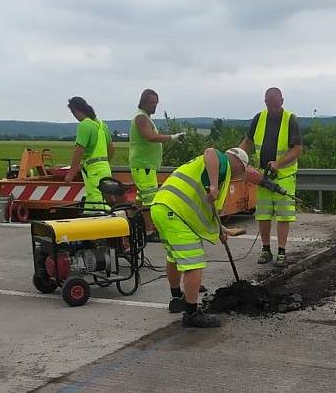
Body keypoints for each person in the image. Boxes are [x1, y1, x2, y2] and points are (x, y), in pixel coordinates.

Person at [150, 147, 250, 328]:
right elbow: (210, 152)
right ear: (238, 163)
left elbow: (209, 211)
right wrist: (213, 185)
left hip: (162, 207)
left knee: (173, 256)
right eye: (241, 169)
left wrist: (219, 229)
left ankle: (177, 298)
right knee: (194, 263)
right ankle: (191, 313)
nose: (239, 173)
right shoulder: (223, 162)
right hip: (176, 212)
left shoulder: (216, 171)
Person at [239, 87, 302, 267]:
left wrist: (279, 163)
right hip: (263, 176)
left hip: (284, 175)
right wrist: (237, 155)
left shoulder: (290, 119)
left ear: (282, 101)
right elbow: (248, 141)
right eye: (269, 105)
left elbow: (297, 148)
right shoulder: (259, 118)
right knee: (263, 214)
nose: (272, 108)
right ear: (265, 102)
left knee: (283, 216)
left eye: (275, 105)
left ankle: (281, 251)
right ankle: (266, 249)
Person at [129, 89, 185, 207]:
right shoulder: (141, 118)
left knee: (141, 198)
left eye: (156, 103)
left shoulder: (145, 117)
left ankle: (132, 223)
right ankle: (149, 226)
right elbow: (150, 136)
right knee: (149, 201)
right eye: (151, 102)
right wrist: (172, 137)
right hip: (144, 165)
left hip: (146, 166)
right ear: (143, 102)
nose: (154, 106)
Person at [64, 97, 114, 212]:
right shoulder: (102, 126)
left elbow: (79, 150)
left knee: (97, 203)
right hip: (105, 167)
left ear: (76, 111)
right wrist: (104, 163)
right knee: (91, 201)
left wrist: (71, 173)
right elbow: (111, 148)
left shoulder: (85, 125)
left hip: (94, 170)